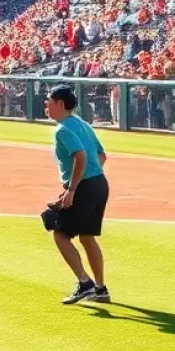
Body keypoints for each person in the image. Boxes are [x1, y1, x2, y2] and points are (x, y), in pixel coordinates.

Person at [44, 85, 111, 305]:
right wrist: (88, 181)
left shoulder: (62, 129)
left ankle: (85, 283)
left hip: (84, 187)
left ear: (61, 104)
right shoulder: (83, 124)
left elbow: (80, 157)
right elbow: (101, 156)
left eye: (49, 102)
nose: (46, 105)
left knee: (59, 232)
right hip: (99, 184)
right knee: (86, 236)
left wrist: (72, 190)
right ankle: (100, 289)